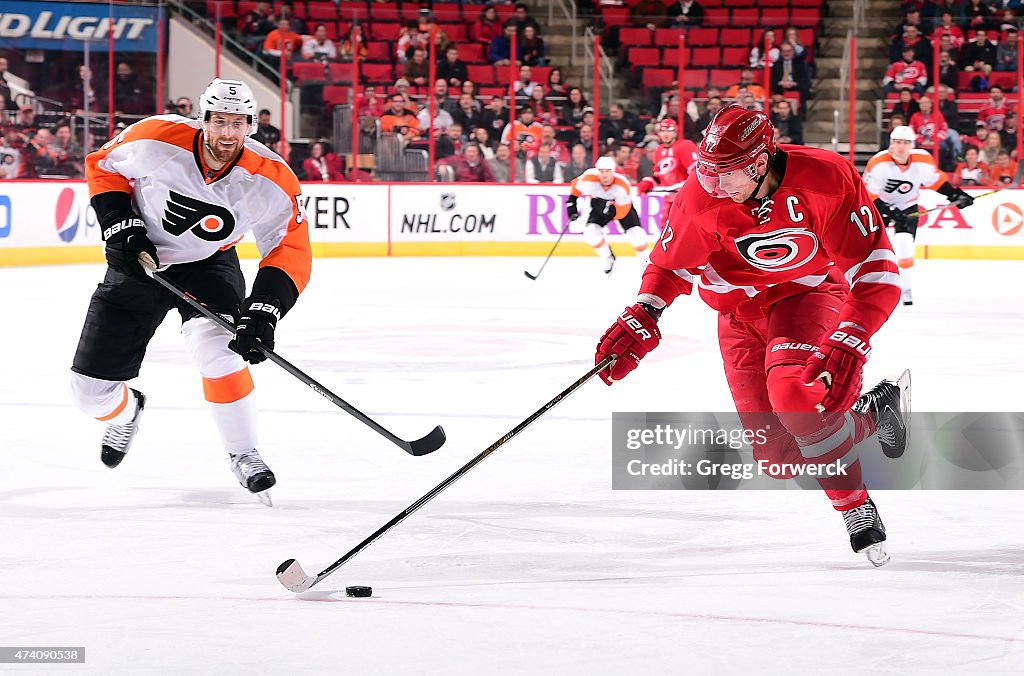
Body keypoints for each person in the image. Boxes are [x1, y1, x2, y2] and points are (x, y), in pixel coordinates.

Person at [593, 104, 911, 566]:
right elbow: (670, 265)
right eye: (706, 169)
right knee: (779, 457)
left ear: (760, 162)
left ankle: (854, 507)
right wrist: (643, 312)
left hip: (806, 295)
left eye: (725, 174)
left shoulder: (825, 177)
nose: (711, 183)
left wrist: (852, 338)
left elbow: (877, 271)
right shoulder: (700, 195)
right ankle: (873, 414)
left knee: (793, 394)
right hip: (738, 315)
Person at [70, 78, 310, 502]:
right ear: (204, 120)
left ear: (252, 125)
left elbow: (289, 246)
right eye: (220, 121)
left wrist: (265, 309)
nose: (228, 133)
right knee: (90, 395)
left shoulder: (269, 177)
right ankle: (128, 411)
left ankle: (244, 453)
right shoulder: (156, 138)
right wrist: (120, 226)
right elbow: (104, 166)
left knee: (219, 350)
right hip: (140, 262)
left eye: (238, 123)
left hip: (209, 265)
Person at [863, 125, 974, 306]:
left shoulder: (922, 160)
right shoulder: (879, 163)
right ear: (891, 144)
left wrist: (956, 195)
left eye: (906, 143)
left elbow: (936, 181)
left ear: (911, 145)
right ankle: (866, 285)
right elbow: (868, 194)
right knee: (870, 248)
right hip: (878, 206)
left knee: (904, 244)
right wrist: (888, 211)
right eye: (898, 142)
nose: (901, 147)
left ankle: (906, 289)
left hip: (907, 206)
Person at [567, 156, 647, 274]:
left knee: (637, 235)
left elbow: (623, 210)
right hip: (599, 206)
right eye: (601, 171)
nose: (604, 175)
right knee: (590, 233)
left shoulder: (622, 186)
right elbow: (575, 187)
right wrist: (572, 206)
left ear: (613, 172)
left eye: (608, 171)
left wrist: (611, 212)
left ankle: (646, 263)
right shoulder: (589, 178)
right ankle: (608, 257)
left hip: (620, 209)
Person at [636, 118, 697, 227]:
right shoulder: (659, 150)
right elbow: (659, 175)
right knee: (666, 227)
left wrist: (686, 188)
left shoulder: (685, 145)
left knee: (685, 227)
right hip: (670, 198)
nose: (666, 134)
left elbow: (696, 171)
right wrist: (649, 182)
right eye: (663, 131)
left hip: (686, 198)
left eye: (670, 130)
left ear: (675, 132)